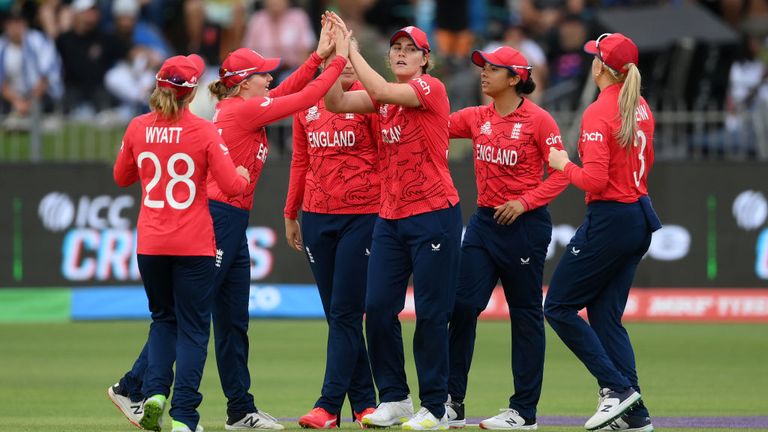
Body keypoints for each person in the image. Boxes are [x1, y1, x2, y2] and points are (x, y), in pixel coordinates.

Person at [107, 15, 350, 431]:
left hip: (233, 224)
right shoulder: (241, 112)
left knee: (234, 321)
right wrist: (337, 62)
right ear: (242, 83)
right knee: (191, 318)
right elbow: (302, 97)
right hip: (216, 219)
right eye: (264, 75)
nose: (271, 80)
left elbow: (290, 90)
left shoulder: (245, 107)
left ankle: (240, 409)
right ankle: (133, 386)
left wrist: (317, 57)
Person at [325, 18, 462, 430]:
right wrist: (334, 58)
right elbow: (334, 102)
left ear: (426, 59)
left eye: (410, 48)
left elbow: (382, 89)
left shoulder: (428, 88)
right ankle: (396, 397)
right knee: (378, 308)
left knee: (432, 314)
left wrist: (352, 52)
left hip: (433, 213)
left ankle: (436, 406)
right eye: (396, 47)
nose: (401, 52)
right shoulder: (382, 99)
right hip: (391, 216)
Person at [113, 53, 251, 432]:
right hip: (193, 244)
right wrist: (240, 172)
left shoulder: (138, 127)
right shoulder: (204, 131)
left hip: (152, 245)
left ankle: (155, 394)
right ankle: (185, 417)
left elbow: (121, 176)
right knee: (193, 329)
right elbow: (232, 186)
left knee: (163, 320)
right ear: (191, 95)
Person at [445, 46, 569, 430]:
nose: (482, 73)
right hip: (483, 222)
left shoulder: (539, 120)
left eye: (492, 69)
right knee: (463, 306)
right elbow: (433, 125)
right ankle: (452, 402)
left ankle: (523, 411)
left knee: (525, 315)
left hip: (525, 226)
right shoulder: (476, 117)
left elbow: (564, 173)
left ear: (515, 78)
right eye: (482, 67)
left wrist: (525, 201)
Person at [545, 33, 660, 432]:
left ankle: (616, 389)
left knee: (557, 306)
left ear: (600, 68)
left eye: (594, 56)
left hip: (611, 217)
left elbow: (594, 180)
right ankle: (635, 414)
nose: (590, 60)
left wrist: (561, 162)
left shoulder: (600, 110)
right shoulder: (640, 105)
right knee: (606, 318)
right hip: (639, 216)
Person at [284, 58, 379, 429]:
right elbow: (300, 159)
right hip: (317, 217)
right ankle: (365, 405)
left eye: (354, 57)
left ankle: (327, 406)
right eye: (340, 60)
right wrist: (291, 211)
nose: (349, 66)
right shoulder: (307, 105)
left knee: (344, 312)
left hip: (364, 215)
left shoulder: (368, 100)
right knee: (339, 316)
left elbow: (387, 158)